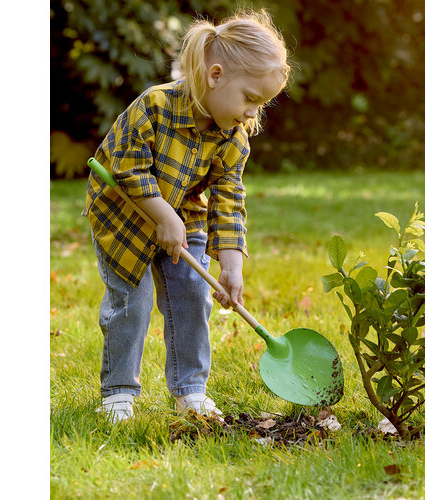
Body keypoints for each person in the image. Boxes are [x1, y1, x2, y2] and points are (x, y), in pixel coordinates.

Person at [83, 9, 290, 422]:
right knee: (133, 302)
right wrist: (160, 214)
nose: (253, 113)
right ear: (215, 75)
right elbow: (127, 167)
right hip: (124, 214)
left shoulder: (233, 137)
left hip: (184, 213)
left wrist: (231, 264)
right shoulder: (155, 106)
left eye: (261, 104)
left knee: (194, 294)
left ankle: (190, 389)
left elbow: (228, 199)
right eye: (250, 98)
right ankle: (119, 391)